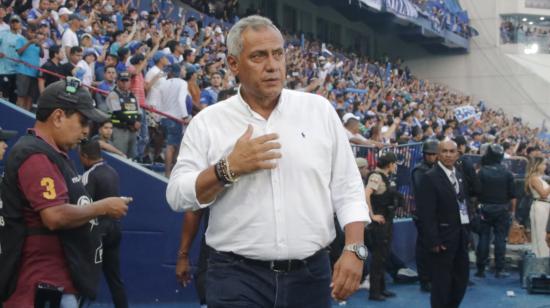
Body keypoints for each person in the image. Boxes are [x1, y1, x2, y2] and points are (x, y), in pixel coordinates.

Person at [166, 15, 370, 307]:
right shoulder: (208, 122)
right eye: (259, 56)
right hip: (235, 276)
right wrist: (227, 169)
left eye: (278, 54)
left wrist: (354, 247)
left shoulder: (319, 111)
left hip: (310, 276)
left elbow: (348, 186)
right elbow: (177, 196)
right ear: (234, 64)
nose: (272, 65)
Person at [1, 79, 131, 308]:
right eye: (82, 121)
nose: (85, 130)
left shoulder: (52, 153)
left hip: (56, 285)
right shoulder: (35, 155)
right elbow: (54, 216)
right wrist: (104, 206)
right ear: (59, 117)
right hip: (38, 289)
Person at [417, 139, 470, 308]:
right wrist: (433, 241)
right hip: (442, 239)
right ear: (438, 155)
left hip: (460, 235)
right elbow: (426, 213)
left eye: (451, 151)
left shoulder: (459, 176)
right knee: (441, 284)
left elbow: (464, 204)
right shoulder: (429, 177)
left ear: (457, 154)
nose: (448, 155)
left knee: (461, 279)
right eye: (444, 151)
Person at [79, 139, 128, 308]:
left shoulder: (89, 175)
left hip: (98, 231)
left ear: (84, 156)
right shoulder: (112, 171)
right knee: (115, 278)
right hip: (115, 229)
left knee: (85, 276)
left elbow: (84, 206)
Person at [475, 144, 516, 278]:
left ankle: (480, 268)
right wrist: (513, 212)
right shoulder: (507, 173)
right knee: (500, 239)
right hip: (502, 209)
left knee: (484, 238)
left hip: (485, 208)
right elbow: (513, 196)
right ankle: (499, 269)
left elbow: (476, 192)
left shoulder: (482, 172)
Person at [364, 152, 400, 301]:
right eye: (395, 163)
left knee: (383, 256)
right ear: (390, 164)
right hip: (379, 224)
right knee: (378, 258)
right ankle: (374, 292)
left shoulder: (385, 177)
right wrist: (371, 215)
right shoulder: (376, 177)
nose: (396, 166)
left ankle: (382, 288)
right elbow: (366, 194)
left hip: (386, 222)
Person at [411, 138, 439, 292]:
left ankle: (432, 277)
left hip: (435, 213)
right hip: (422, 214)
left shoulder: (436, 169)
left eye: (433, 154)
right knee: (423, 248)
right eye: (428, 154)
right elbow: (423, 194)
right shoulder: (419, 170)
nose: (431, 157)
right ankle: (424, 279)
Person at [157, 64, 191, 177]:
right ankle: (168, 172)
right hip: (175, 118)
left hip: (163, 117)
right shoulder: (182, 83)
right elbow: (181, 100)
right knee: (172, 146)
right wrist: (185, 116)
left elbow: (159, 102)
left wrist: (158, 117)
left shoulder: (163, 83)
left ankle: (169, 171)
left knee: (170, 144)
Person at [105, 72, 141, 159]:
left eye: (127, 81)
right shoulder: (113, 94)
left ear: (130, 82)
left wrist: (138, 122)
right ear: (117, 82)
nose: (124, 83)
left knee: (132, 157)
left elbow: (139, 112)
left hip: (133, 131)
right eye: (122, 81)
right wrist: (133, 123)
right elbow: (117, 113)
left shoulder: (133, 96)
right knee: (120, 156)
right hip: (120, 129)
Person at [525, 157, 550, 257]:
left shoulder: (539, 178)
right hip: (541, 207)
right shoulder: (534, 178)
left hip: (545, 206)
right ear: (537, 165)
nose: (545, 166)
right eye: (543, 164)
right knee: (541, 235)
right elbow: (543, 194)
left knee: (544, 235)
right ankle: (541, 260)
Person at [0, 15, 23, 103]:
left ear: (20, 24)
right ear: (9, 23)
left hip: (16, 72)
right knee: (3, 98)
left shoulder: (22, 38)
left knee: (13, 99)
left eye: (17, 22)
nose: (14, 24)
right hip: (3, 71)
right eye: (13, 22)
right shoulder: (3, 33)